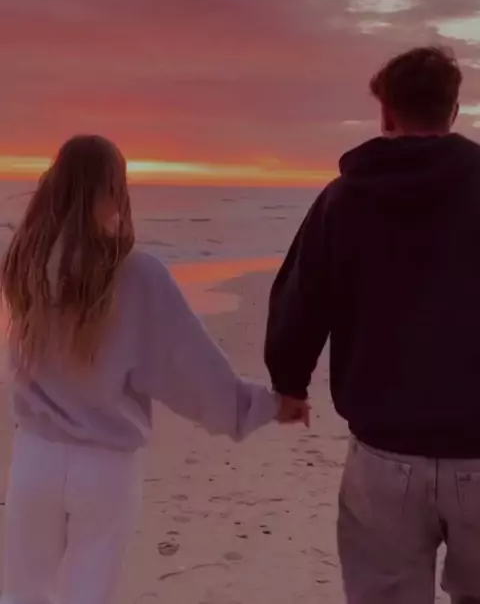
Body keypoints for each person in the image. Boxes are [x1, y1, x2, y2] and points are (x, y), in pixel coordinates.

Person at [0, 135, 300, 604]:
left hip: (35, 458)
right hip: (105, 467)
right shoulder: (136, 274)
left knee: (21, 593)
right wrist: (262, 407)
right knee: (87, 593)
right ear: (113, 192)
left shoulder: (24, 264)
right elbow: (192, 371)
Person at [264, 46, 480, 604]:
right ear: (454, 110)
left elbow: (302, 297)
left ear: (386, 114)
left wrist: (289, 384)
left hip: (386, 457)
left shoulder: (344, 199)